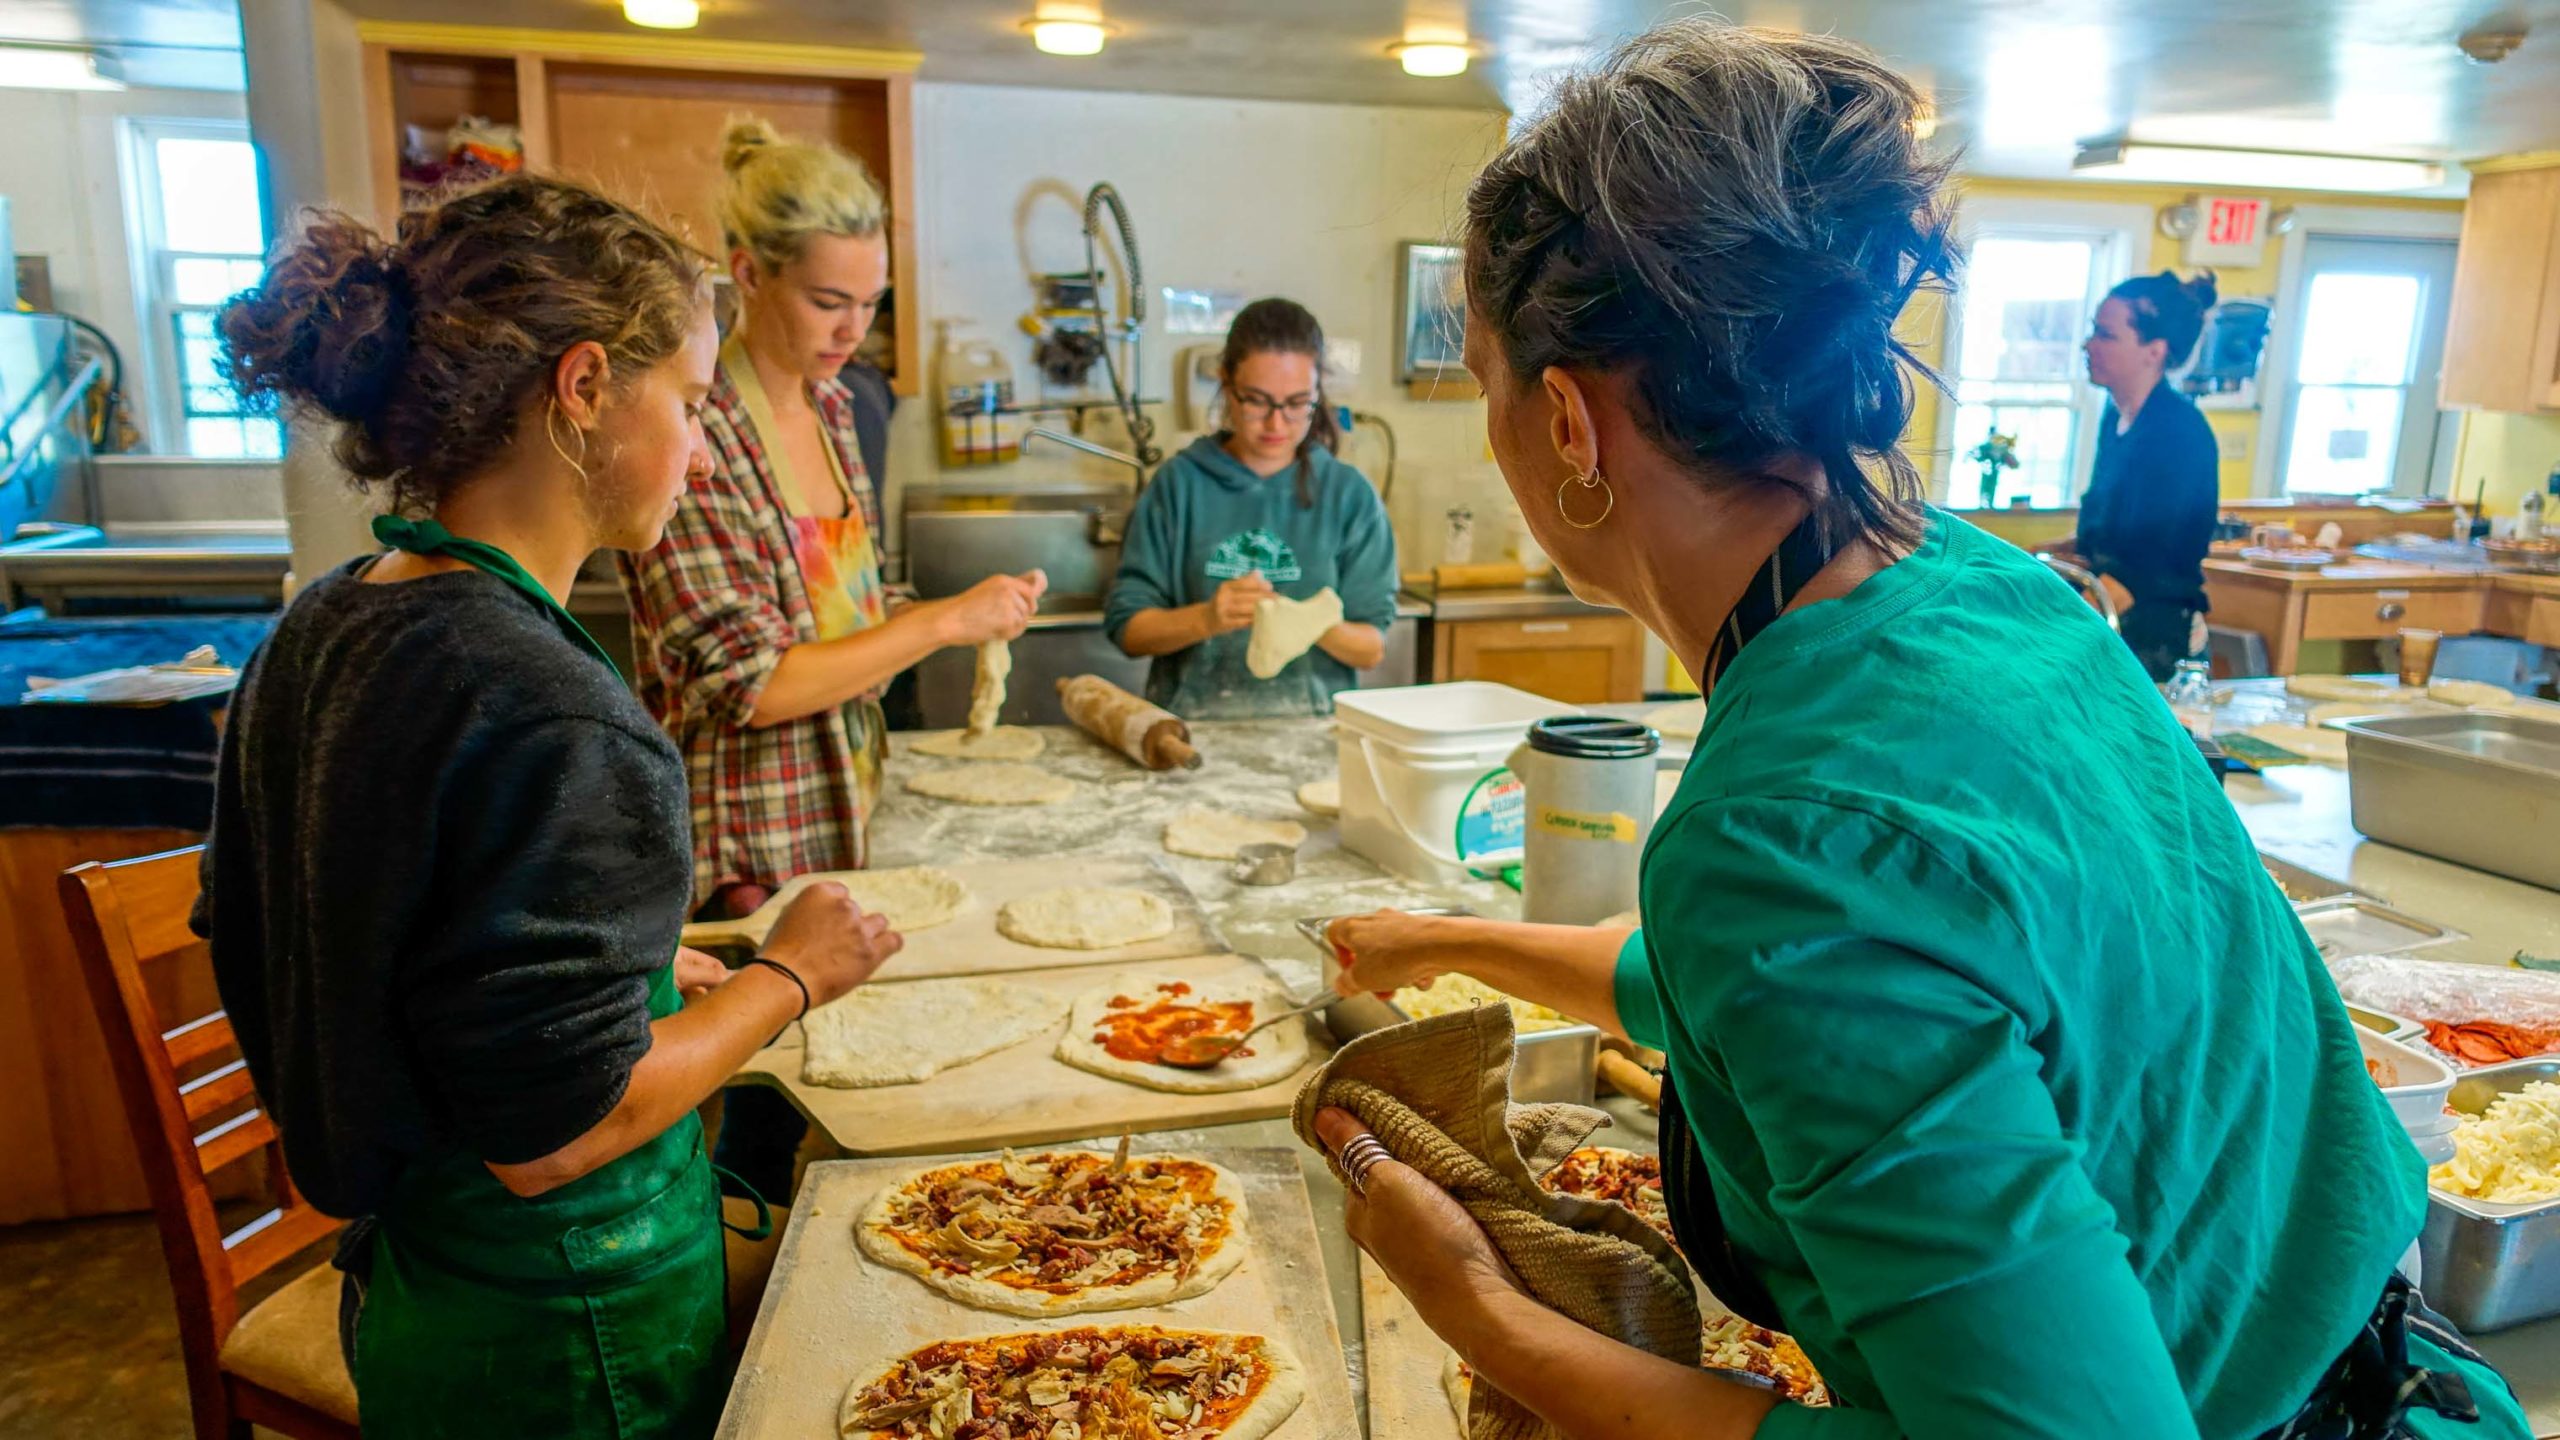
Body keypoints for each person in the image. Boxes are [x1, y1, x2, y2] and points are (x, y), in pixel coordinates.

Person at [1307, 23, 2525, 1440]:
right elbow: (1863, 981)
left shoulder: (1778, 836)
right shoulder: (1988, 588)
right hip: (2423, 1382)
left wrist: (1491, 1321)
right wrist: (1449, 943)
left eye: (1484, 383)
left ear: (1569, 424)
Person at [199, 175, 901, 1437]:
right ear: (583, 389)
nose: (697, 446)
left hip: (417, 1295)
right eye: (689, 404)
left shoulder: (329, 622)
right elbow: (556, 1133)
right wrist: (790, 976)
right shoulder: (557, 712)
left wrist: (628, 968)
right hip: (568, 1337)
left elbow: (352, 946)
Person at [620, 119, 1041, 1203]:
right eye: (827, 301)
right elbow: (747, 680)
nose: (853, 328)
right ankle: (729, 1318)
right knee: (752, 1127)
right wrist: (942, 622)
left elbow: (842, 610)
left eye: (870, 303)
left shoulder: (838, 407)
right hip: (742, 833)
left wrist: (944, 615)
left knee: (845, 1116)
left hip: (841, 806)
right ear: (750, 275)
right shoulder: (695, 429)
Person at [1103, 298, 1397, 718]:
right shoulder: (1179, 486)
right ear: (1226, 384)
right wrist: (1207, 618)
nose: (1277, 424)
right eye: (1257, 401)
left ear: (1318, 394)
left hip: (1310, 734)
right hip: (1192, 730)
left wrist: (1309, 622)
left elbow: (1370, 648)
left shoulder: (1349, 496)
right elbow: (1128, 630)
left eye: (1297, 404)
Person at [2072, 269, 2225, 680]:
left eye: (2106, 335)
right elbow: (2101, 542)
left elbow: (2146, 565)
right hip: (2113, 619)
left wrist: (2058, 628)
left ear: (2154, 350)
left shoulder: (2179, 432)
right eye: (2093, 332)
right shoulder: (2115, 419)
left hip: (2155, 643)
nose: (2089, 345)